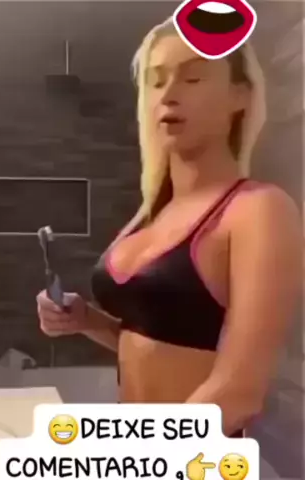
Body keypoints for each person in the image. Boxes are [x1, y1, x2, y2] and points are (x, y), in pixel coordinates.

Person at [36, 17, 302, 437]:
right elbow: (158, 340)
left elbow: (239, 392)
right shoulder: (150, 214)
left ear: (241, 95)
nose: (169, 94)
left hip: (195, 457)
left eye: (192, 78)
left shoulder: (259, 210)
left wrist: (139, 454)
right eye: (156, 81)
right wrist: (85, 319)